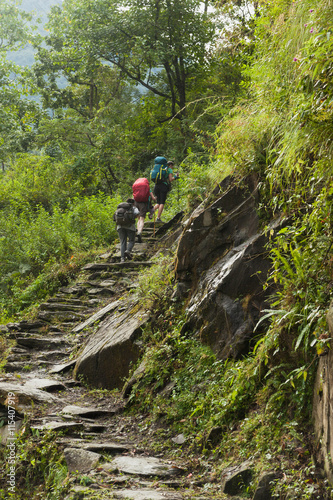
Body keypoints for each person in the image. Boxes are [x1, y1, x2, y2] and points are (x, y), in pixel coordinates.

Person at [132, 177, 157, 243]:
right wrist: (155, 198)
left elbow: (133, 196)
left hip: (136, 203)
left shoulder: (137, 188)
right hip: (143, 204)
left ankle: (138, 230)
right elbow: (153, 198)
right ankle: (140, 232)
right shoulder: (148, 188)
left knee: (139, 219)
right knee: (142, 219)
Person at [114, 198, 139, 262]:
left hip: (120, 227)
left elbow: (114, 218)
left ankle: (122, 258)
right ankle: (128, 251)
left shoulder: (120, 208)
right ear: (133, 203)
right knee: (131, 240)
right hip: (130, 227)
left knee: (123, 242)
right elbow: (137, 214)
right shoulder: (133, 208)